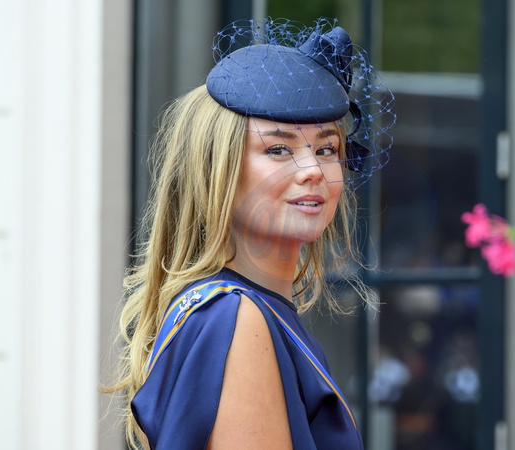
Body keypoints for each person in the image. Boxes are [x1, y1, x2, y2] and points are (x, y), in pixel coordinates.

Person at [105, 18, 394, 449]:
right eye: (277, 149)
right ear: (216, 170)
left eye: (326, 148)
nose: (313, 170)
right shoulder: (236, 316)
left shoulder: (243, 310)